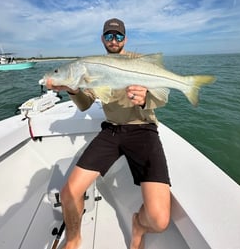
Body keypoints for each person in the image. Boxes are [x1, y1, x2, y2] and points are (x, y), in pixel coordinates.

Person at [47, 18, 171, 249]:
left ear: (125, 38)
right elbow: (85, 104)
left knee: (159, 219)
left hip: (143, 129)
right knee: (68, 194)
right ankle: (73, 240)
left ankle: (139, 224)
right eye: (109, 36)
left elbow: (163, 96)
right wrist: (74, 90)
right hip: (112, 130)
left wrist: (146, 99)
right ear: (102, 38)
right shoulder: (92, 66)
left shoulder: (138, 61)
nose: (114, 40)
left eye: (119, 36)